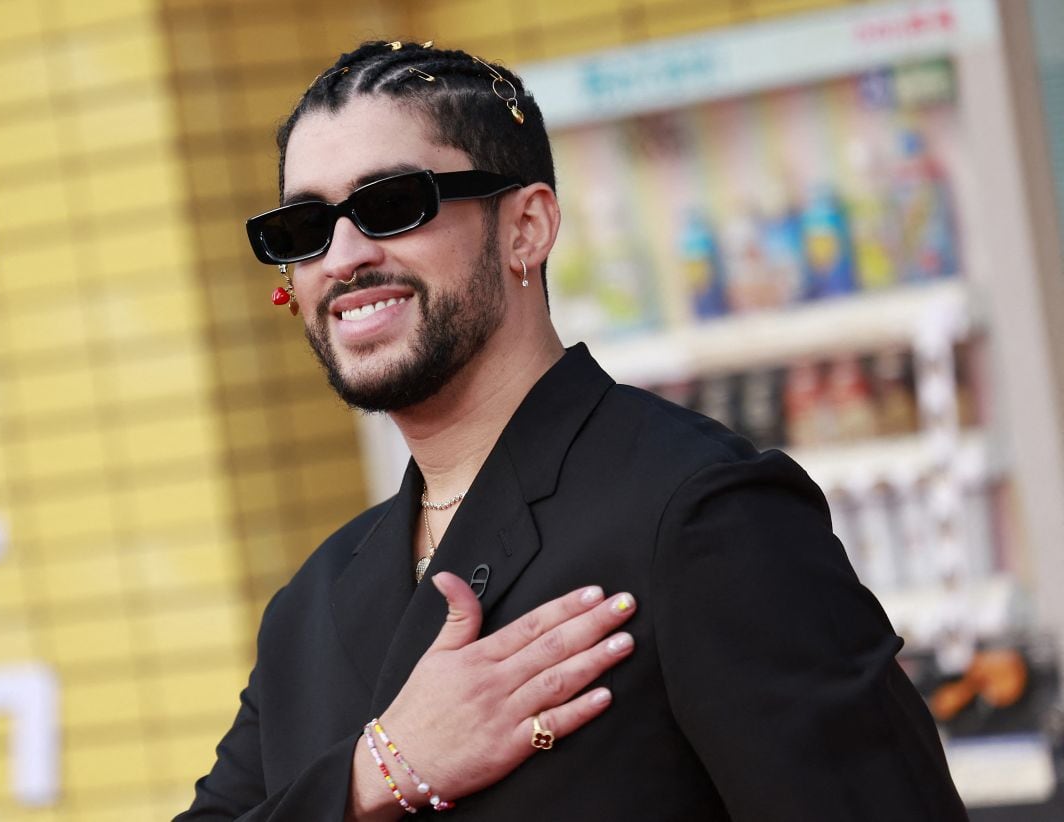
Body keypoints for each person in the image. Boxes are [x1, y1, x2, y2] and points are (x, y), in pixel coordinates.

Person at [176, 40, 968, 821]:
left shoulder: (700, 514)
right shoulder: (307, 607)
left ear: (526, 228)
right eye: (304, 227)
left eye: (391, 205)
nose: (342, 255)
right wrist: (376, 773)